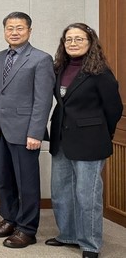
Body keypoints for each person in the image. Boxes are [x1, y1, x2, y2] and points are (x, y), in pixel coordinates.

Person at [45, 23, 122, 258]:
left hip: (90, 142)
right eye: (68, 39)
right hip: (61, 139)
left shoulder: (100, 72)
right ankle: (68, 234)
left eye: (79, 39)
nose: (73, 43)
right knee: (61, 192)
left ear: (90, 42)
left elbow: (114, 108)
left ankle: (90, 244)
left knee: (87, 196)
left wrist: (102, 133)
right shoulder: (60, 67)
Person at [0, 12, 54, 249]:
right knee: (4, 180)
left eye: (19, 28)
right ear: (4, 31)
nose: (14, 32)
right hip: (0, 130)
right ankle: (9, 219)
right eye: (10, 28)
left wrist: (36, 132)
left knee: (27, 183)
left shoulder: (41, 59)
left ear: (29, 31)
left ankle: (27, 229)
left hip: (25, 132)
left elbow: (43, 100)